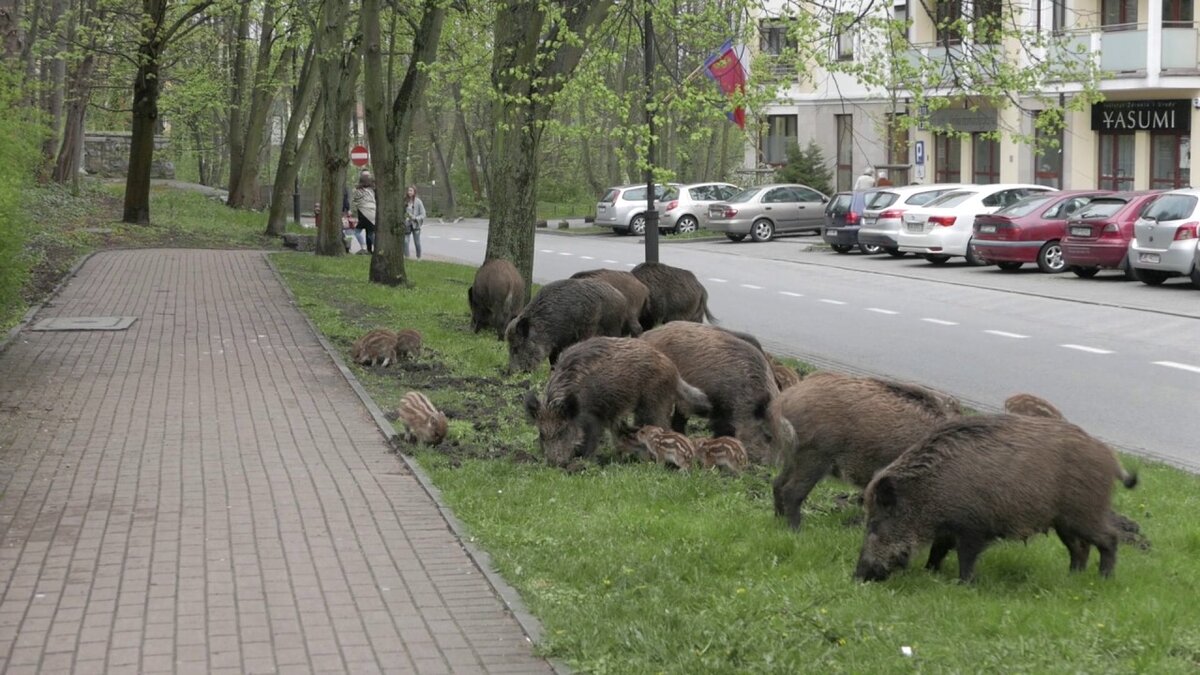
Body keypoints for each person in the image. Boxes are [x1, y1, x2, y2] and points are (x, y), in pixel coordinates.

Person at [351, 171, 376, 254]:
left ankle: (363, 247)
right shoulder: (372, 190)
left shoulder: (358, 191)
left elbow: (355, 201)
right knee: (370, 233)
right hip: (372, 214)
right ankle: (376, 248)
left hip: (364, 215)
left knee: (357, 232)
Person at [404, 185, 426, 259]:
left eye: (411, 191)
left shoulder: (418, 201)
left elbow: (423, 214)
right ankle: (407, 256)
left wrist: (415, 218)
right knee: (405, 241)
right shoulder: (405, 201)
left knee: (417, 242)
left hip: (416, 225)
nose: (409, 192)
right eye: (408, 190)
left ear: (414, 192)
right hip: (407, 224)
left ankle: (418, 257)